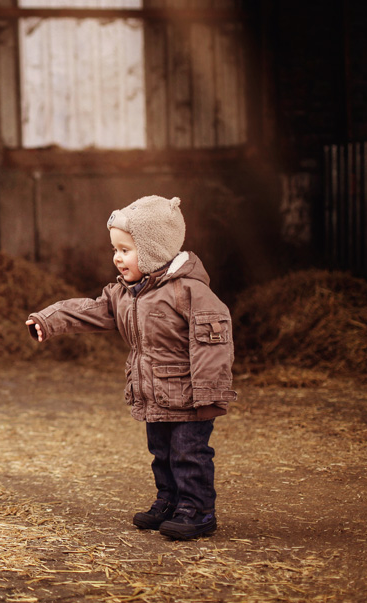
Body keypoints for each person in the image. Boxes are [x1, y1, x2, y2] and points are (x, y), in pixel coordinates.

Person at [25, 195, 236, 540]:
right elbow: (90, 310)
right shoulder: (125, 294)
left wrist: (210, 393)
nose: (117, 258)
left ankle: (197, 510)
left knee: (189, 453)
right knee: (161, 453)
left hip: (189, 396)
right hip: (154, 393)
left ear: (153, 250)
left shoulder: (189, 292)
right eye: (115, 250)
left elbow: (213, 344)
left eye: (126, 250)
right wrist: (49, 319)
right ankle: (169, 501)